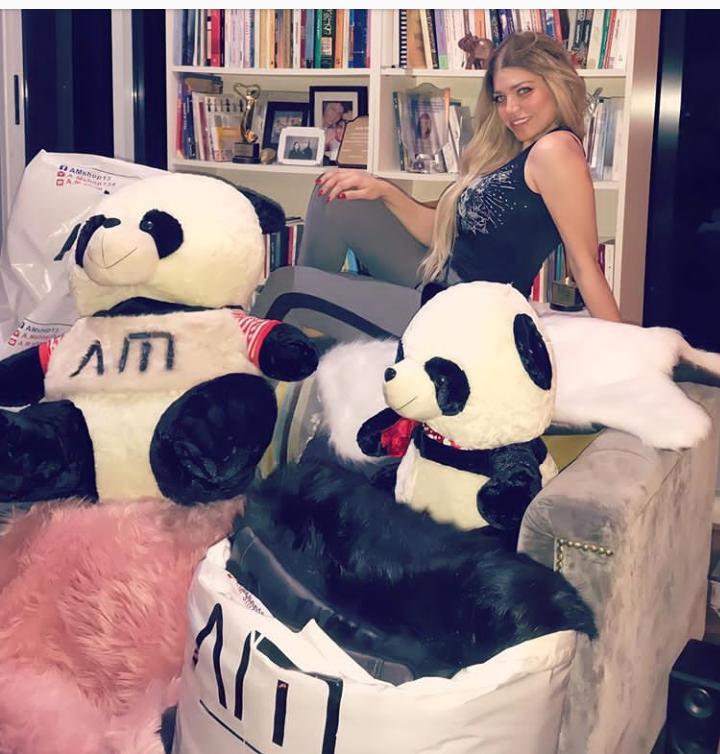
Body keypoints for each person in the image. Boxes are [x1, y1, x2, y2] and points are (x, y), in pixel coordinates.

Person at [299, 32, 621, 322]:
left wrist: (625, 348)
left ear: (556, 85)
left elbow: (584, 265)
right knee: (332, 194)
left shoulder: (555, 149)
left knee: (294, 291)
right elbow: (440, 231)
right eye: (501, 98)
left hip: (463, 314)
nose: (511, 109)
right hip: (438, 284)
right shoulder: (518, 152)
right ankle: (301, 335)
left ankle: (297, 337)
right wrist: (385, 191)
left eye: (524, 91)